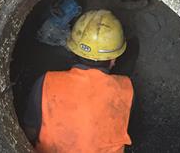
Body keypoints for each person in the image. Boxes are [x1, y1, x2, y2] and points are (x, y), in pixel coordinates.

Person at [22, 10, 134, 152]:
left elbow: (29, 131)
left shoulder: (46, 81)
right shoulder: (126, 88)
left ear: (74, 50)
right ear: (114, 59)